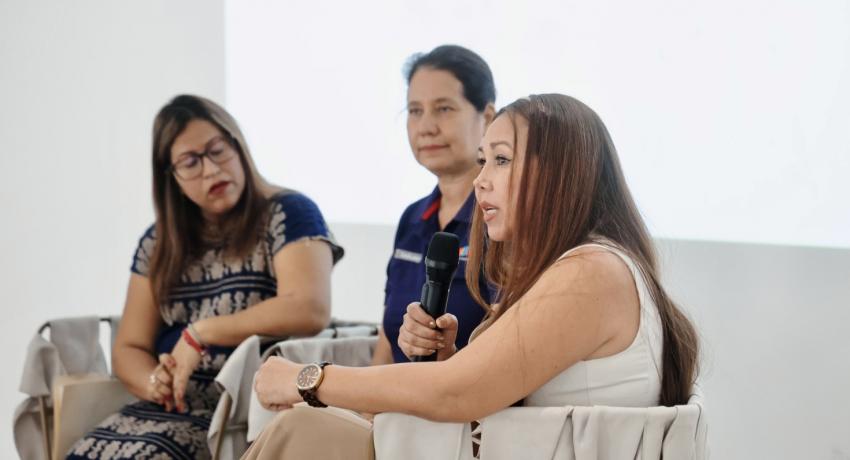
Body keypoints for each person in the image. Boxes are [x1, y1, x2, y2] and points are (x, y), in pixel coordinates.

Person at [245, 93, 700, 459]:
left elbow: (457, 395)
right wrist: (450, 359)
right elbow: (485, 397)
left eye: (501, 160)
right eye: (483, 161)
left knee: (303, 428)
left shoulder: (592, 271)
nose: (481, 180)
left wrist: (309, 379)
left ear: (562, 174)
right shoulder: (580, 267)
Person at [67, 95, 343, 460]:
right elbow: (129, 347)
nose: (211, 170)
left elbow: (308, 309)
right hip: (166, 408)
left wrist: (201, 333)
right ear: (171, 176)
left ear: (237, 145)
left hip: (238, 414)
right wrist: (156, 383)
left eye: (217, 151)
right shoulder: (158, 241)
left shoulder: (289, 213)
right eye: (190, 162)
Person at [371, 44, 497, 367]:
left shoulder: (502, 218)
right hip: (394, 396)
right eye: (415, 111)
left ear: (487, 118)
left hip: (466, 396)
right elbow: (387, 342)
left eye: (443, 109)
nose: (426, 127)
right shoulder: (412, 218)